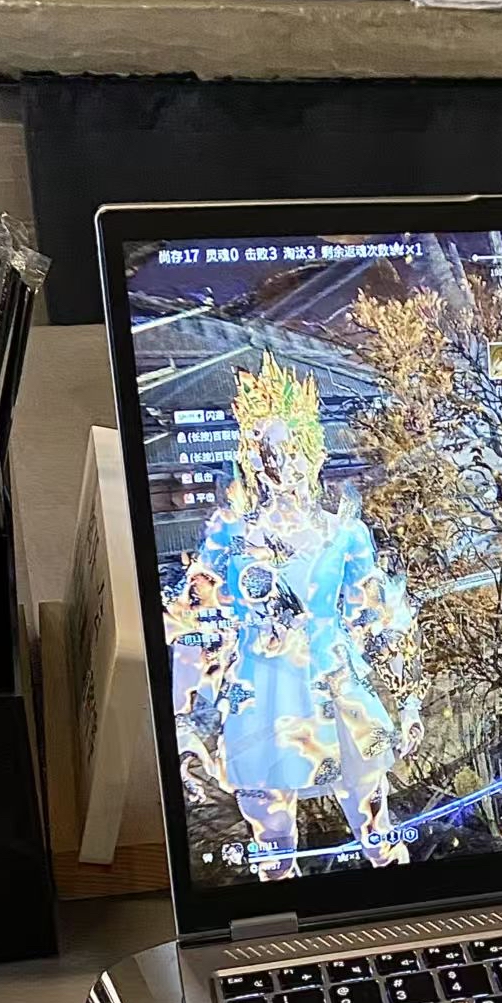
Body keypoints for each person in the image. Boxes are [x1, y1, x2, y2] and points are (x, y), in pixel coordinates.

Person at [166, 352, 423, 880]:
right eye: (267, 451)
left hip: (337, 688)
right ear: (252, 456)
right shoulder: (231, 532)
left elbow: (379, 615)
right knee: (273, 850)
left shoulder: (344, 532)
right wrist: (183, 718)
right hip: (261, 697)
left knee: (376, 832)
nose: (280, 463)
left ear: (313, 450)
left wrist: (409, 698)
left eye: (290, 449)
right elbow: (194, 621)